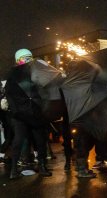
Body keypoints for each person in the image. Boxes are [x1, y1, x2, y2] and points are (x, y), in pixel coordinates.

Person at [6, 49, 52, 179]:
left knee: (40, 140)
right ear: (17, 61)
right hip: (21, 114)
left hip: (35, 113)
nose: (26, 61)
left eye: (29, 58)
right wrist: (16, 111)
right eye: (23, 58)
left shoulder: (36, 73)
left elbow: (44, 91)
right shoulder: (12, 76)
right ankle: (14, 169)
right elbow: (10, 95)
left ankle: (42, 166)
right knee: (19, 141)